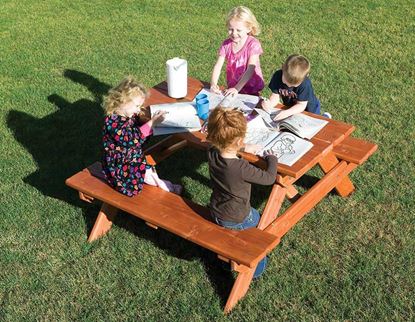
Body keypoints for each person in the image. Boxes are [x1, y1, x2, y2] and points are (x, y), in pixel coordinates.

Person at [206, 107, 278, 278]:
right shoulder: (240, 168)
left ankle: (225, 258)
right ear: (239, 141)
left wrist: (244, 147)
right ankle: (256, 269)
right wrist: (272, 159)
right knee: (259, 224)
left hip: (216, 210)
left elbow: (222, 146)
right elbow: (268, 178)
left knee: (252, 218)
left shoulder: (211, 152)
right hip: (238, 216)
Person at [101, 76, 182, 197]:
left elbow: (137, 132)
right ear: (123, 101)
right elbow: (132, 139)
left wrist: (147, 122)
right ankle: (167, 188)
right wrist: (151, 123)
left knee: (148, 171)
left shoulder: (126, 115)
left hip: (131, 157)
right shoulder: (113, 123)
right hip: (123, 166)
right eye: (137, 106)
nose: (139, 110)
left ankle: (160, 183)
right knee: (147, 175)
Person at [210, 6, 265, 97]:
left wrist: (237, 88)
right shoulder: (226, 45)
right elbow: (218, 66)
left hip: (251, 89)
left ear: (249, 28)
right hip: (233, 87)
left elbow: (250, 69)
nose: (234, 33)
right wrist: (213, 84)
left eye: (238, 30)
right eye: (231, 29)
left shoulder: (253, 44)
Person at [262, 54, 331, 121]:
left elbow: (301, 105)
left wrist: (287, 112)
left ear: (304, 78)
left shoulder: (305, 84)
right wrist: (269, 104)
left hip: (310, 110)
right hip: (291, 108)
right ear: (283, 68)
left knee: (316, 122)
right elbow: (275, 96)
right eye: (285, 82)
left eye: (293, 85)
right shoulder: (277, 76)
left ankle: (325, 117)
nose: (288, 86)